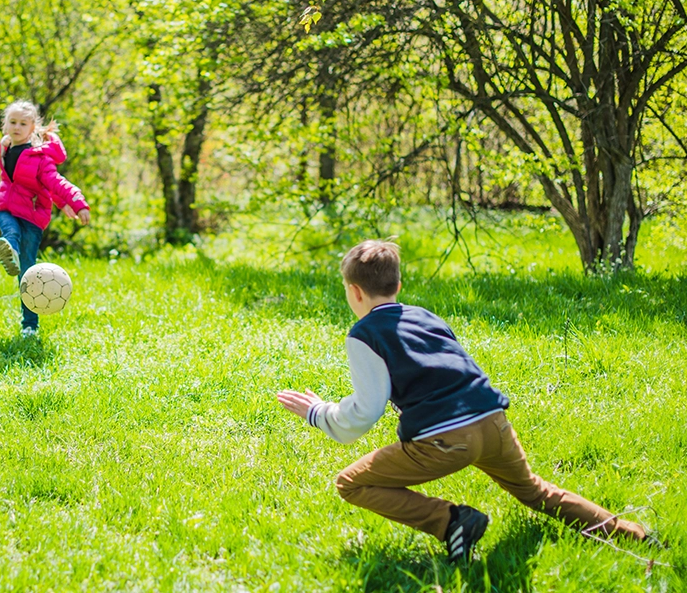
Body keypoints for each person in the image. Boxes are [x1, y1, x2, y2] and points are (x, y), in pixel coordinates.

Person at [276, 239, 646, 562]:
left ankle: (452, 521)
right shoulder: (426, 317)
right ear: (398, 284)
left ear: (354, 292)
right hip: (493, 421)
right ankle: (635, 535)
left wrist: (317, 413)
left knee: (350, 484)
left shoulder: (364, 333)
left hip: (445, 439)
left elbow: (367, 410)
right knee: (535, 491)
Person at [0, 100, 91, 337]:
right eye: (12, 122)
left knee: (28, 273)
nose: (16, 127)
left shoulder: (40, 157)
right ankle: (10, 249)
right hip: (6, 207)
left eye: (22, 123)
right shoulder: (5, 147)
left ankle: (30, 325)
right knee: (10, 233)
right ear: (5, 125)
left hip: (33, 217)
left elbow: (53, 183)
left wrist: (73, 202)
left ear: (33, 127)